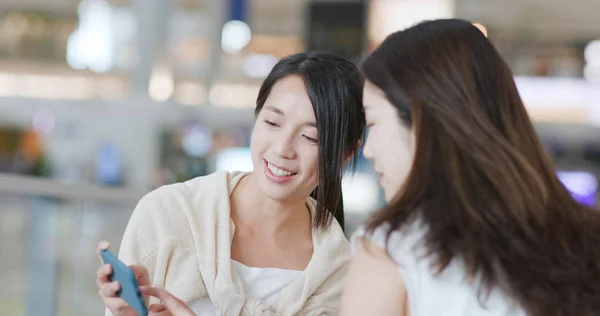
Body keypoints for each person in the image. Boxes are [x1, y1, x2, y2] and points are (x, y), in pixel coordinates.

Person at [339, 19, 600, 316]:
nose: (369, 150)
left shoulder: (391, 252)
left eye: (373, 122)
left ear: (422, 123)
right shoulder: (583, 240)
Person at [95, 52, 365, 316]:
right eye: (272, 122)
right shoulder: (167, 215)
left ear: (345, 155)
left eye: (310, 137)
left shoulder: (339, 272)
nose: (283, 148)